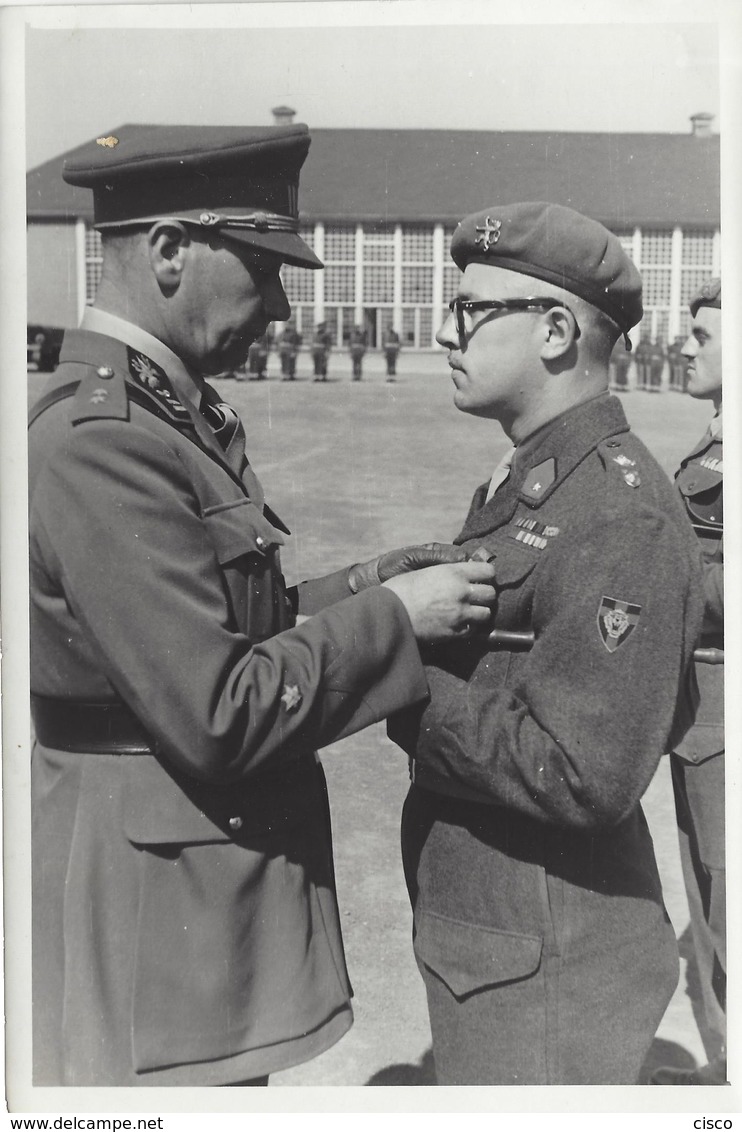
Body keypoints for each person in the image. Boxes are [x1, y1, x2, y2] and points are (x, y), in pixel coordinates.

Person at [28, 123, 498, 1088]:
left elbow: (241, 620)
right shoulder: (102, 441)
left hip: (188, 891)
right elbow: (218, 711)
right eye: (263, 269)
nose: (283, 305)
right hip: (159, 918)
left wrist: (372, 581)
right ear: (167, 252)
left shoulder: (167, 412)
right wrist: (397, 619)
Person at [388, 201, 704, 1085]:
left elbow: (584, 769)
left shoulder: (618, 509)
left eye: (471, 312)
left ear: (557, 331)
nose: (445, 332)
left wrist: (396, 675)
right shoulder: (537, 477)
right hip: (503, 940)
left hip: (547, 961)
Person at [651, 278, 726, 1086]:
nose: (684, 344)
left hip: (725, 713)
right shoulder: (715, 439)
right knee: (709, 908)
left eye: (702, 334)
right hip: (700, 715)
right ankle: (725, 1073)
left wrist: (655, 580)